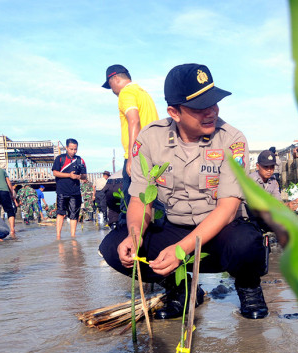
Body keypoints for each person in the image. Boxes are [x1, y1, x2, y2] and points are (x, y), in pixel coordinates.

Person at [100, 63, 268, 319]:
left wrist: (181, 251)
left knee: (246, 243)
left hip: (221, 233)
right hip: (175, 227)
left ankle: (248, 286)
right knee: (114, 247)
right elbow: (140, 199)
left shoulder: (232, 140)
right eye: (201, 107)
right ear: (174, 112)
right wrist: (134, 236)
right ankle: (183, 289)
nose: (212, 111)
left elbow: (228, 208)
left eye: (214, 102)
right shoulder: (150, 139)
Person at [102, 64, 160, 218]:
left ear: (115, 79)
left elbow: (134, 121)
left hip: (138, 154)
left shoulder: (126, 93)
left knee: (129, 205)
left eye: (110, 86)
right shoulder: (143, 93)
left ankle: (128, 238)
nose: (112, 91)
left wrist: (132, 156)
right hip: (154, 152)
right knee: (153, 202)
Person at [52, 138, 87, 239]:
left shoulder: (80, 160)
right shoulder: (60, 159)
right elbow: (55, 172)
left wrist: (79, 177)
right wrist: (69, 175)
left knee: (74, 214)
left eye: (75, 149)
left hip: (75, 191)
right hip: (62, 190)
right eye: (71, 149)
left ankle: (73, 236)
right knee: (60, 213)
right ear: (66, 148)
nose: (73, 151)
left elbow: (84, 176)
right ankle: (58, 236)